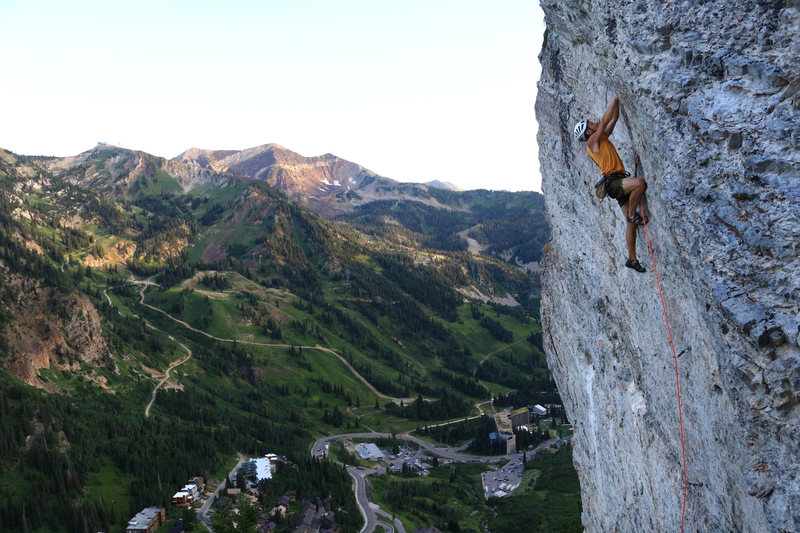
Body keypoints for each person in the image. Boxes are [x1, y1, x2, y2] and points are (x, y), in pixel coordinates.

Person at [574, 95, 648, 273]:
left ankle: (632, 258)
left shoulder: (602, 138)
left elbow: (612, 118)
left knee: (631, 224)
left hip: (617, 182)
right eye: (591, 124)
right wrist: (615, 97)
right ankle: (632, 214)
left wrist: (619, 104)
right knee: (640, 184)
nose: (594, 123)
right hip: (614, 182)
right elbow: (605, 120)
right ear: (588, 132)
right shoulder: (591, 143)